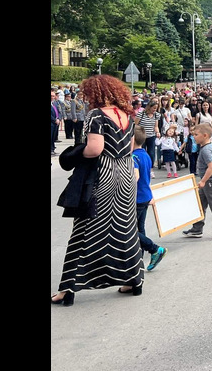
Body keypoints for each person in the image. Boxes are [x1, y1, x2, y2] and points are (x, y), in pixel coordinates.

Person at [51, 75, 143, 306]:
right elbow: (130, 147)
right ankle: (134, 280)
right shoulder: (126, 115)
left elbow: (95, 149)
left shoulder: (97, 116)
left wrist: (73, 153)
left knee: (85, 228)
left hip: (103, 176)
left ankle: (69, 287)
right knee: (125, 227)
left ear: (96, 94)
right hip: (125, 174)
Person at [131, 126, 167, 271]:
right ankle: (138, 258)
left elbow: (136, 176)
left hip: (136, 198)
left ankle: (155, 249)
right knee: (140, 228)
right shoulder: (145, 155)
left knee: (130, 230)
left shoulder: (133, 157)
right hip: (145, 196)